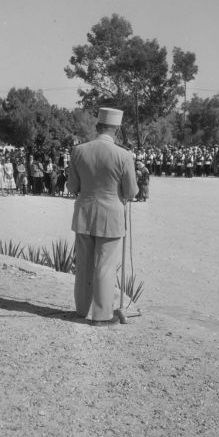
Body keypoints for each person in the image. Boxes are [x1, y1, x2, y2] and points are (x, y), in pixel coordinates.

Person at [67, 107, 138, 327]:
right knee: (105, 266)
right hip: (111, 215)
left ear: (97, 127)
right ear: (116, 129)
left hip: (84, 214)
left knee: (84, 265)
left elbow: (72, 187)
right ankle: (102, 315)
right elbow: (132, 192)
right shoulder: (123, 154)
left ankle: (81, 310)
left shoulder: (78, 151)